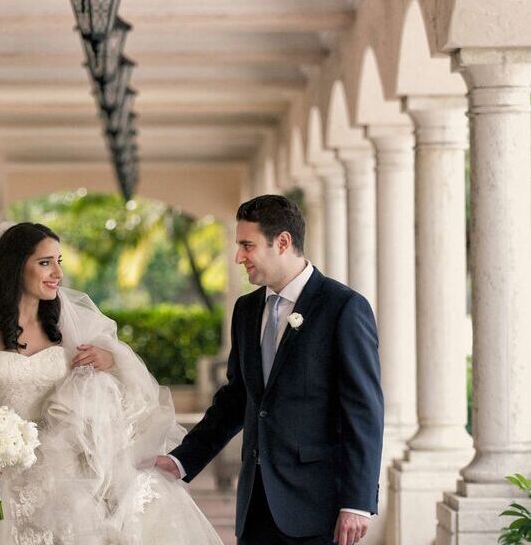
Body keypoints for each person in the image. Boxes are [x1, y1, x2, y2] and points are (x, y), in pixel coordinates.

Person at [0, 222, 223, 545]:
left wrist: (109, 361)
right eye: (45, 263)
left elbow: (119, 393)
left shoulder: (67, 329)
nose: (57, 273)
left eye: (60, 261)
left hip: (72, 485)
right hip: (3, 486)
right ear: (16, 266)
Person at [155, 195, 384, 545]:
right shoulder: (246, 310)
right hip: (255, 506)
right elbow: (236, 399)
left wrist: (357, 502)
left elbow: (363, 410)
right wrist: (182, 460)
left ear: (282, 243)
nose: (238, 257)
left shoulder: (344, 308)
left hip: (317, 506)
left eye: (247, 245)